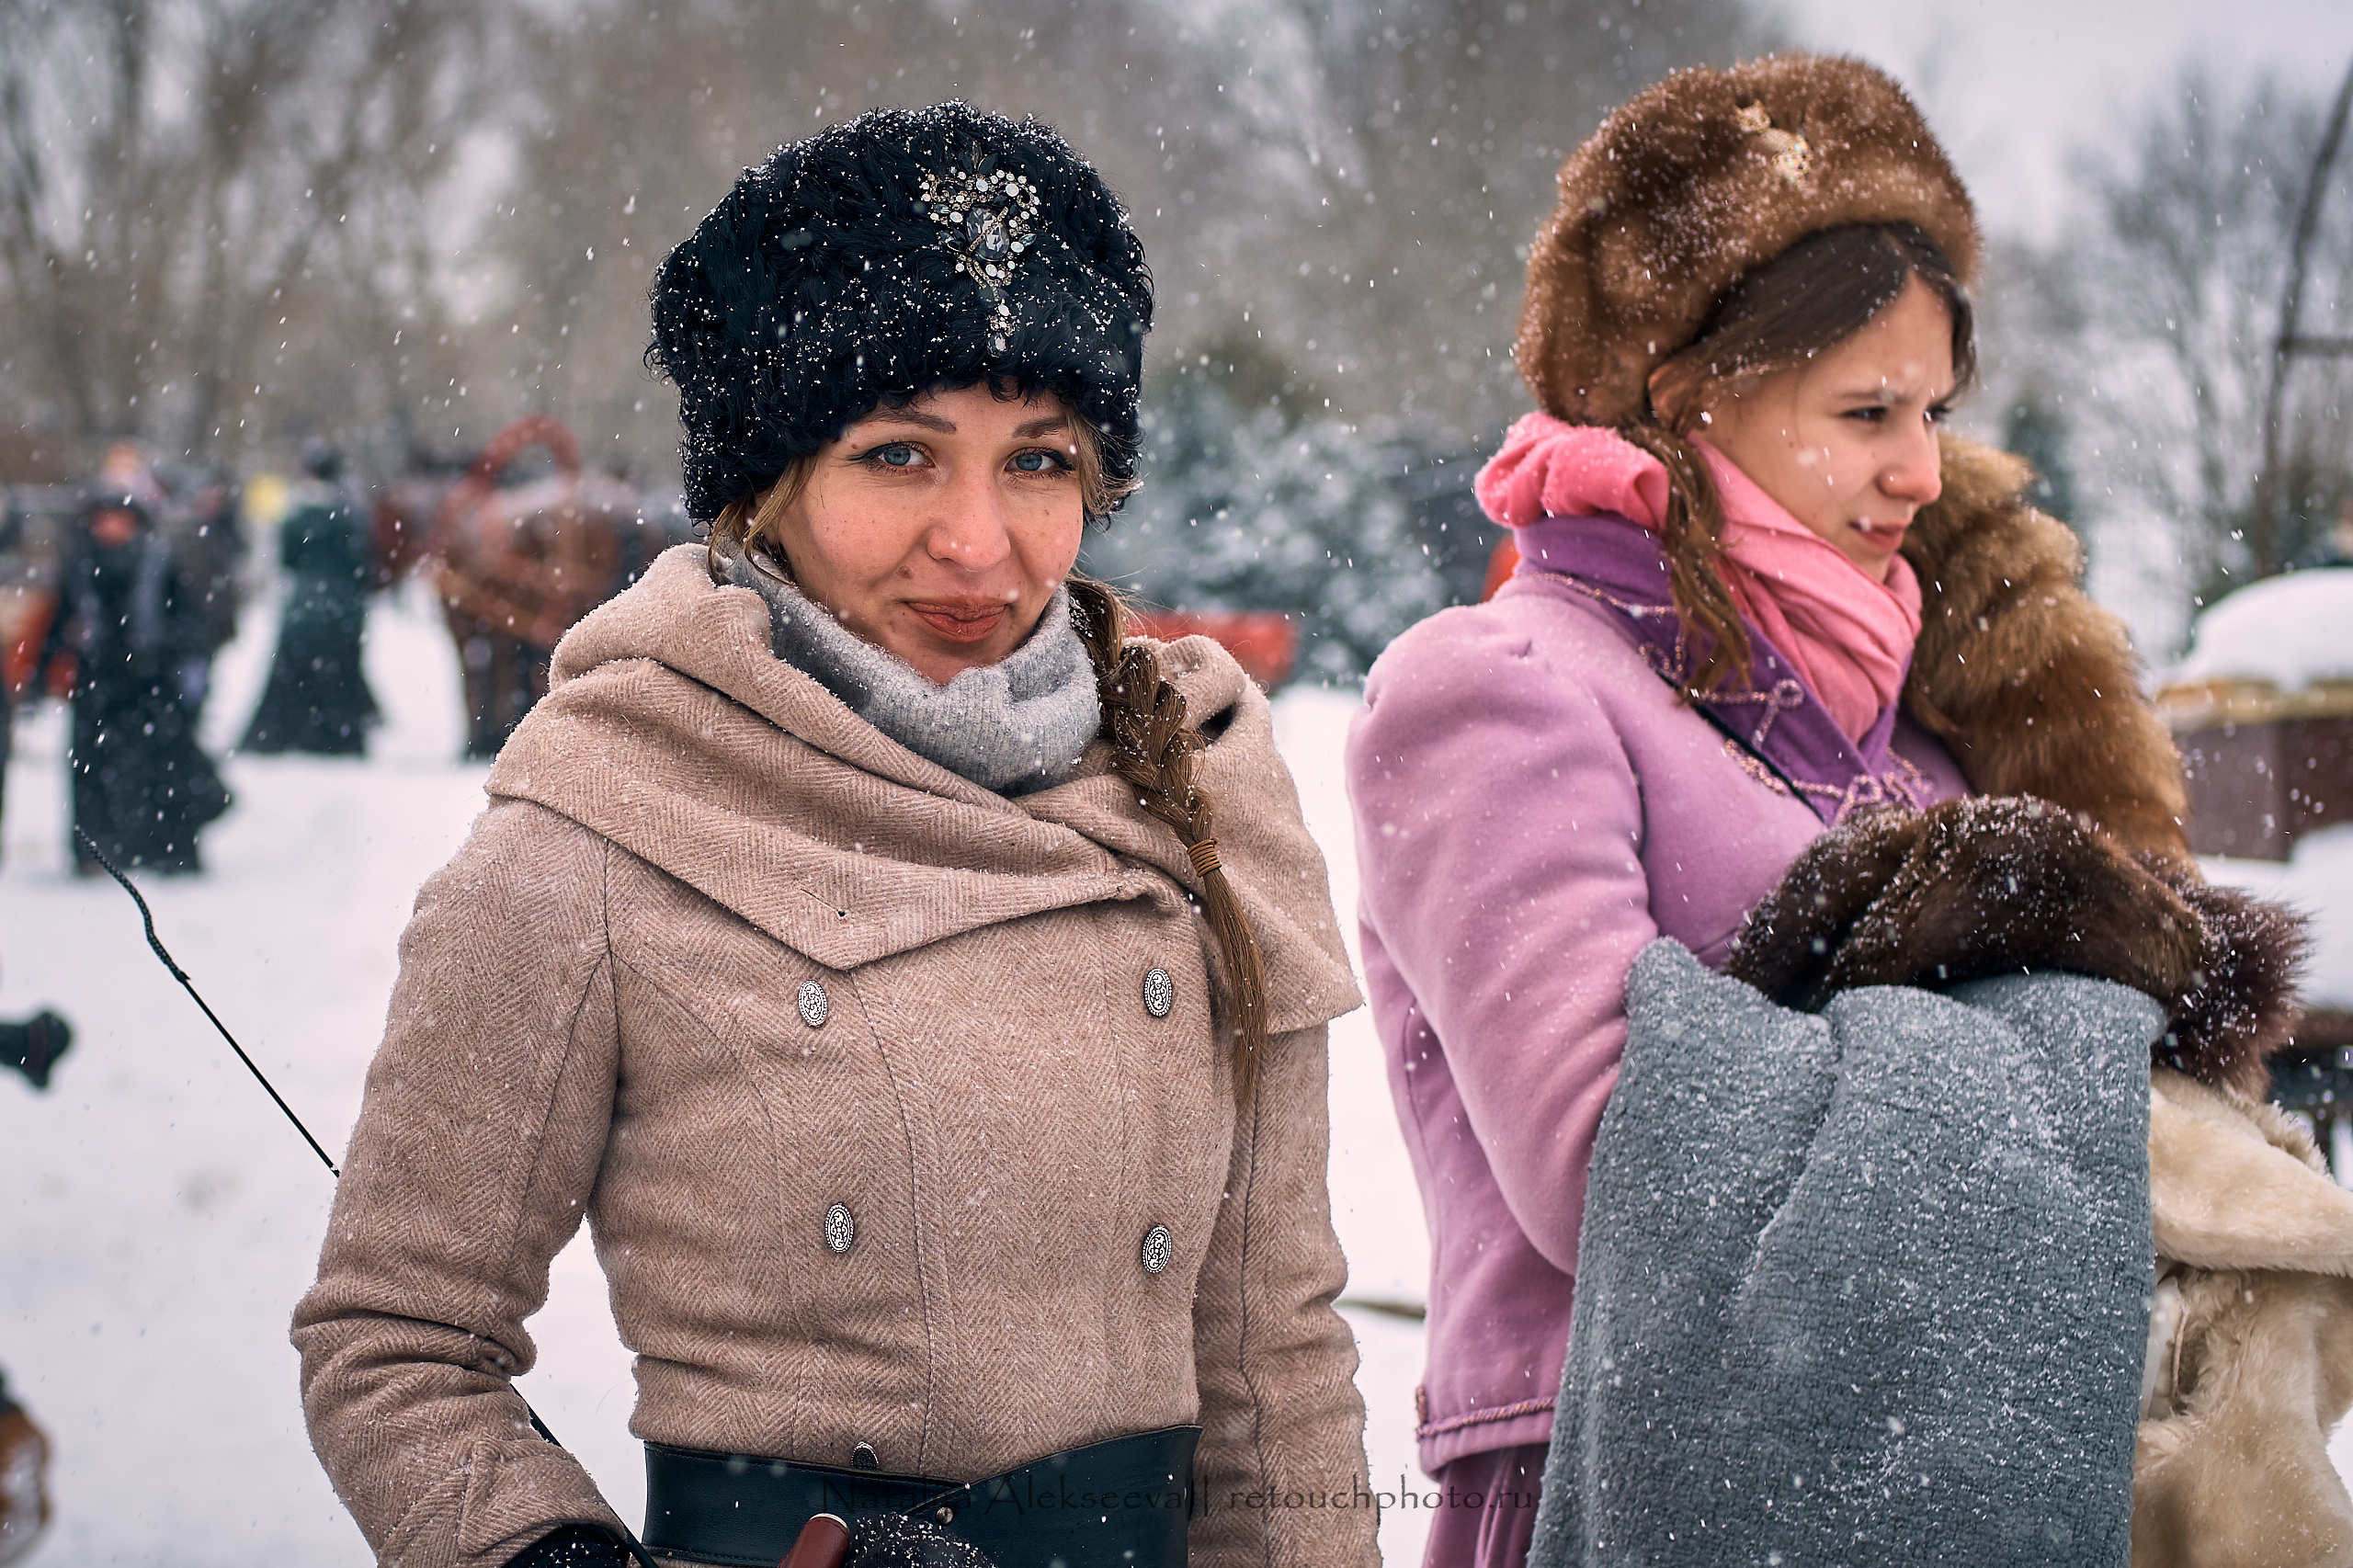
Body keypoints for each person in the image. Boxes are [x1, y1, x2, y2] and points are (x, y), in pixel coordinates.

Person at [294, 103, 1376, 1568]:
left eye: (1039, 461)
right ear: (771, 481)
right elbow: (397, 1343)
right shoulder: (608, 810)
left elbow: (1277, 1363)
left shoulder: (1195, 771)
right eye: (900, 456)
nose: (981, 541)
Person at [1346, 55, 2212, 1568]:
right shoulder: (1499, 690)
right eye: (1865, 409)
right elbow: (1615, 1164)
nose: (1918, 470)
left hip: (1947, 1483)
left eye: (1935, 411)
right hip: (1609, 1478)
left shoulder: (1936, 729)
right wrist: (2057, 1052)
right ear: (1688, 396)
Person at [41, 492, 229, 874]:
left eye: (120, 518)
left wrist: (172, 654)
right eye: (104, 519)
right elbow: (58, 622)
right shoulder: (80, 565)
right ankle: (97, 854)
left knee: (155, 769)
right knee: (95, 772)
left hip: (149, 682)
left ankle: (160, 848)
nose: (111, 527)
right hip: (96, 683)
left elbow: (189, 620)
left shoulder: (157, 561)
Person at [242, 440, 378, 755]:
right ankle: (336, 735)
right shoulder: (349, 513)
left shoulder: (296, 513)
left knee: (292, 668)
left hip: (303, 603)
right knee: (340, 669)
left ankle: (288, 732)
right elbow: (359, 559)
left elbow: (287, 558)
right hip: (341, 603)